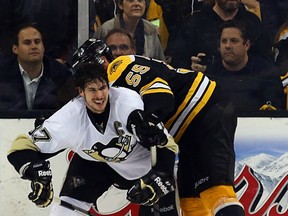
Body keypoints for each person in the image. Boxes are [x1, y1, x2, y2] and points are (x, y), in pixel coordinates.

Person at [73, 38, 246, 215]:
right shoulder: (107, 94)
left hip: (204, 108)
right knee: (191, 202)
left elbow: (161, 94)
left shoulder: (118, 67)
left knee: (217, 192)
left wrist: (149, 118)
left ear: (103, 59)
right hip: (187, 128)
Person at [7, 62, 178, 216]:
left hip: (143, 168)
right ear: (80, 92)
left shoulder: (127, 102)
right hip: (96, 165)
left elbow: (167, 144)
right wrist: (35, 172)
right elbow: (21, 146)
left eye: (102, 87)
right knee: (63, 211)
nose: (99, 95)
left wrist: (163, 174)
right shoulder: (71, 116)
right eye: (92, 90)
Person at [197, 19, 286, 113]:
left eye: (234, 41)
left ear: (247, 45)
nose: (228, 46)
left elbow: (277, 114)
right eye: (224, 41)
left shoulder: (267, 73)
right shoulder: (209, 75)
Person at [170, 0, 272, 69]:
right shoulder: (194, 23)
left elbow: (266, 63)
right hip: (206, 92)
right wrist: (191, 68)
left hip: (246, 91)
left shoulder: (253, 22)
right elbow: (177, 65)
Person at [0, 23, 74, 111]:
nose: (34, 46)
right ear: (15, 49)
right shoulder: (2, 75)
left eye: (37, 42)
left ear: (43, 47)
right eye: (27, 43)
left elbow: (68, 112)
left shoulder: (62, 75)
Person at [93, 0, 166, 61]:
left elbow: (160, 62)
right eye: (131, 0)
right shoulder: (106, 29)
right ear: (121, 5)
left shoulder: (151, 29)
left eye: (140, 0)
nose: (137, 4)